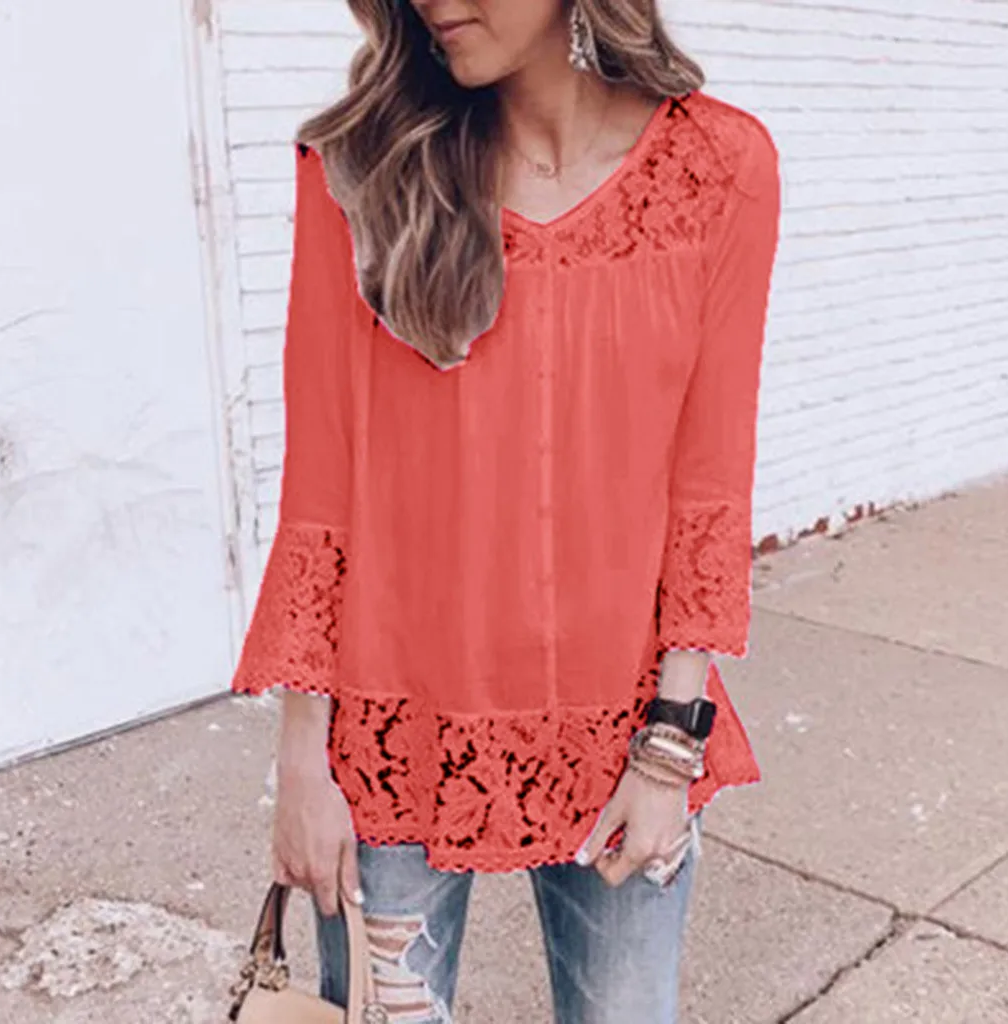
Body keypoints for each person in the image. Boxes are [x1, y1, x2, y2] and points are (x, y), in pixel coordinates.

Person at [230, 1, 781, 1021]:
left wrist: (670, 749)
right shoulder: (362, 170)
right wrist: (302, 761)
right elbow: (321, 486)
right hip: (389, 747)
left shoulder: (717, 169)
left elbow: (708, 486)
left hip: (626, 737)